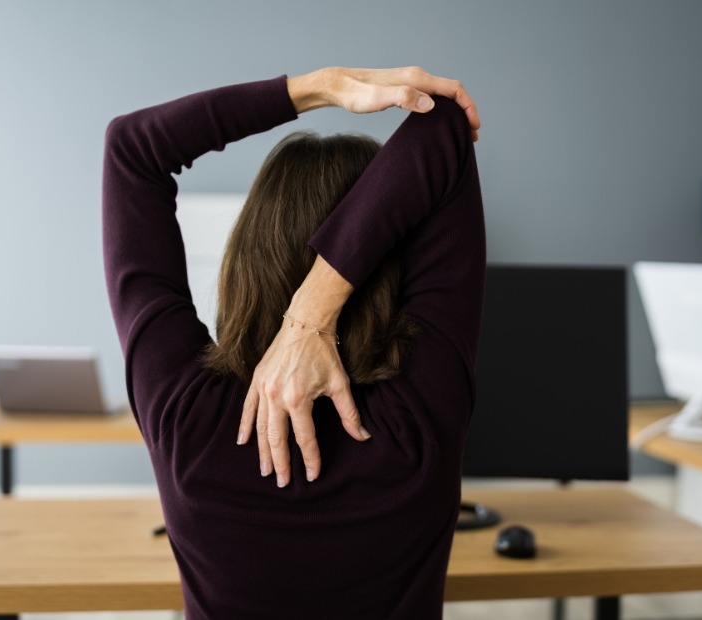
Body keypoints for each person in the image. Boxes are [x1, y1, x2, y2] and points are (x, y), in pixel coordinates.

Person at [103, 66, 485, 619]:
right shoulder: (419, 422)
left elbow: (131, 149)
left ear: (246, 259)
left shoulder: (184, 420)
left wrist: (320, 87)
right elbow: (443, 124)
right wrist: (312, 312)